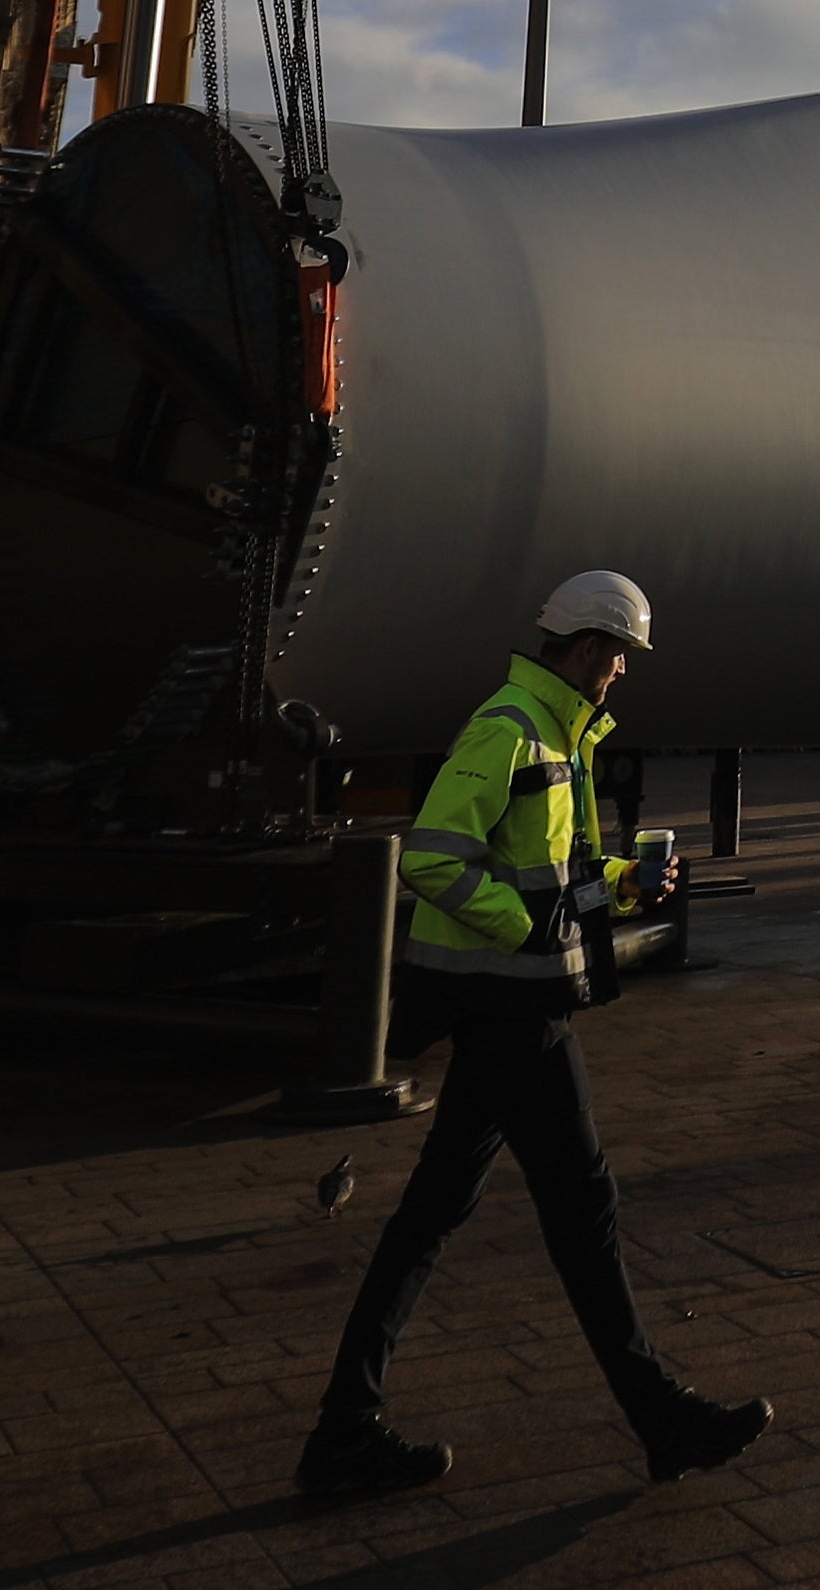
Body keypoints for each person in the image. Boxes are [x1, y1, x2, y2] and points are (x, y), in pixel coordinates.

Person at [294, 570, 774, 1502]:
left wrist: (626, 884)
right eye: (622, 656)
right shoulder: (509, 728)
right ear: (591, 648)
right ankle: (661, 1417)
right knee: (584, 1215)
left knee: (430, 1217)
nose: (623, 673)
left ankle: (344, 1430)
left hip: (506, 1017)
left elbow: (555, 874)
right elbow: (435, 855)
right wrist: (526, 931)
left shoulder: (553, 734)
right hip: (514, 1014)